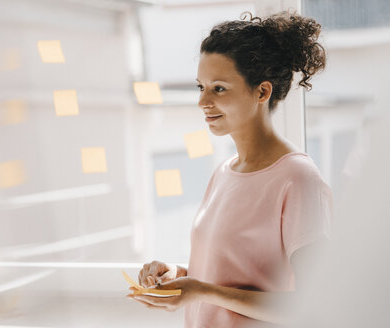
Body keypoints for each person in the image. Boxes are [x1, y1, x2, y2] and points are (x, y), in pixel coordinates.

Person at [127, 10, 332, 328]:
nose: (203, 102)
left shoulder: (299, 180)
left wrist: (200, 291)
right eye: (201, 87)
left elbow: (312, 304)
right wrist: (179, 275)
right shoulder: (224, 172)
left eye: (219, 88)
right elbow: (227, 275)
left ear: (262, 92)